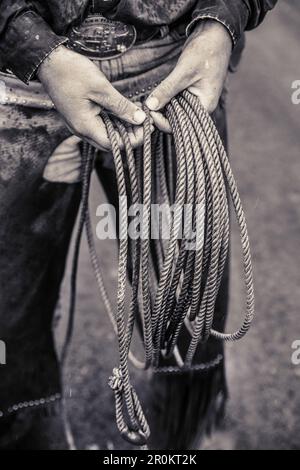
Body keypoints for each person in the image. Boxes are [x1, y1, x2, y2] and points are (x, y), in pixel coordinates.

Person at [0, 0, 277, 450]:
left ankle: (184, 438)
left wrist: (222, 22)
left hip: (171, 76)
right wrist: (26, 43)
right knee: (6, 315)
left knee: (187, 302)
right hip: (12, 86)